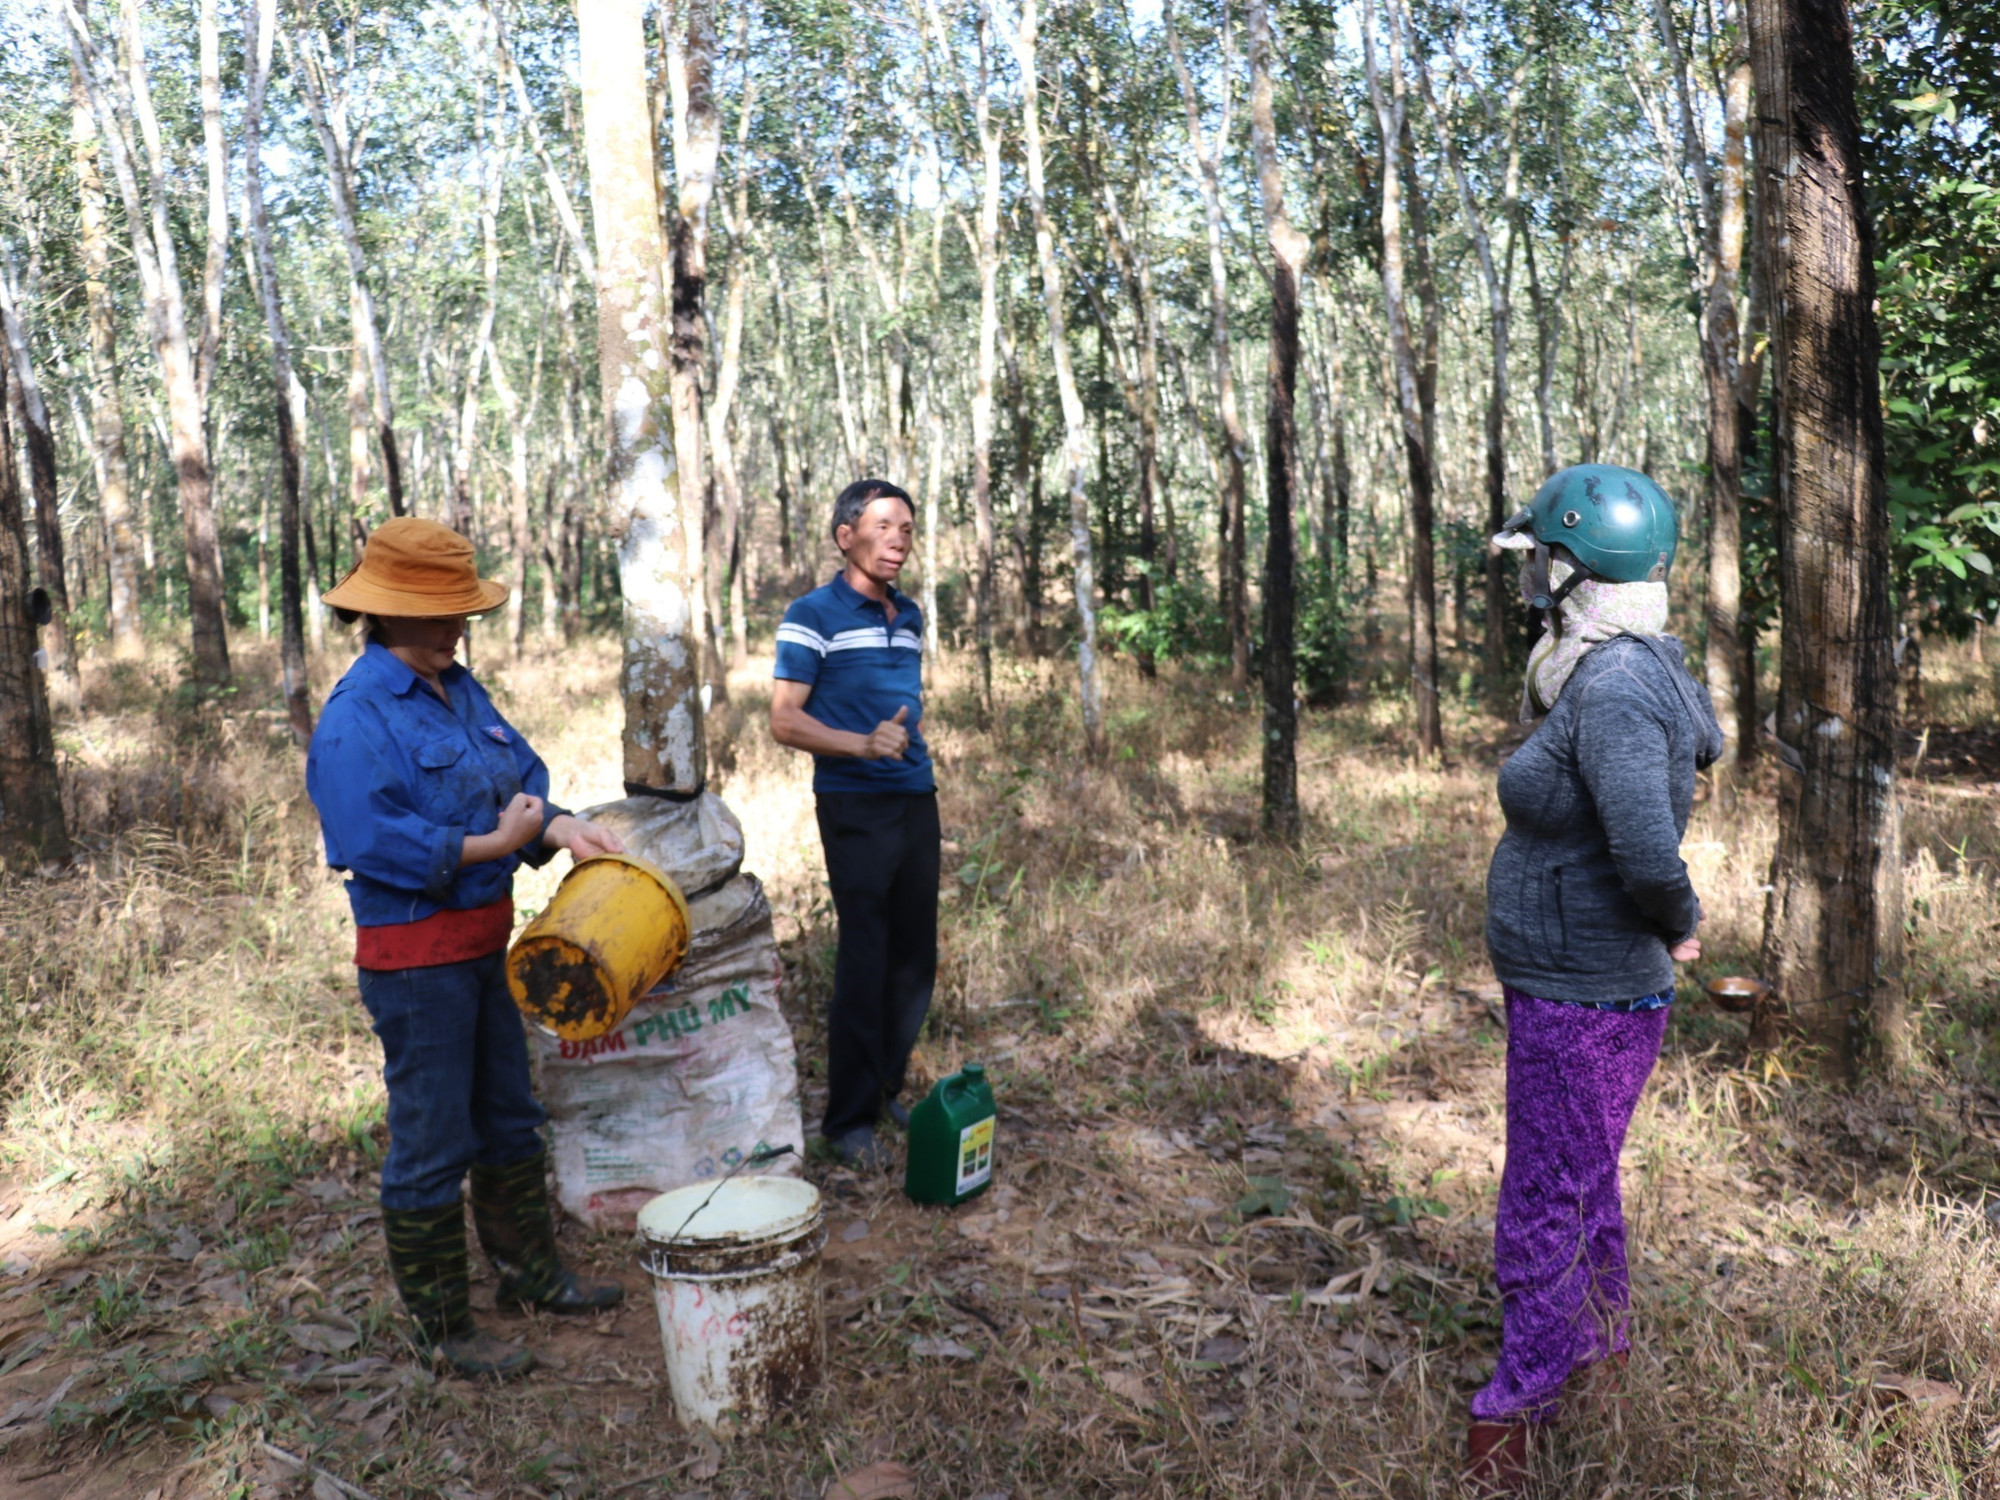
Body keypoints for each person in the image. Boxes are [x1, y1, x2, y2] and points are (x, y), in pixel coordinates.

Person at [305, 517, 627, 1379]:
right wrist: (490, 845)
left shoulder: (460, 688)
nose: (456, 628)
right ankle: (445, 1330)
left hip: (487, 948)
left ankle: (532, 1275)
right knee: (433, 1139)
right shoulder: (356, 717)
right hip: (417, 966)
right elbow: (367, 839)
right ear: (387, 613)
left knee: (510, 1119)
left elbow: (518, 772)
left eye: (460, 613)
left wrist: (558, 823)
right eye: (438, 613)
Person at [1466, 465, 1725, 1491]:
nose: (1531, 576)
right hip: (1570, 978)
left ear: (1579, 568)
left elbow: (1647, 850)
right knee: (1580, 1181)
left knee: (1542, 1197)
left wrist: (1681, 924)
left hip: (1586, 992)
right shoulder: (1602, 668)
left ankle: (1515, 1411)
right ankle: (1599, 1357)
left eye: (1543, 559)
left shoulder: (1612, 689)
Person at [769, 479, 939, 1173]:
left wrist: (897, 752)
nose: (898, 538)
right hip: (855, 805)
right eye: (883, 525)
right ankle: (847, 1120)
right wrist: (861, 745)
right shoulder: (812, 614)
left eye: (907, 527)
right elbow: (784, 719)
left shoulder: (912, 615)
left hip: (915, 797)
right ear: (846, 536)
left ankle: (885, 1088)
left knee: (914, 956)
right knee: (865, 957)